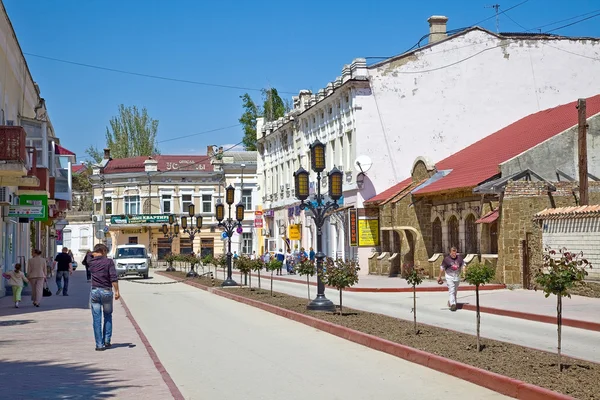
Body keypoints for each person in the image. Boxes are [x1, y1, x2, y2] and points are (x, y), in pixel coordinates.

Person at [86, 243, 120, 351]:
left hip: (95, 291)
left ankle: (99, 345)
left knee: (96, 319)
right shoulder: (108, 262)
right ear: (103, 251)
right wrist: (117, 291)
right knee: (108, 316)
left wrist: (93, 252)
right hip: (106, 291)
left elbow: (87, 256)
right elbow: (113, 278)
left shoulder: (91, 262)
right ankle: (107, 340)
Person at [437, 247, 465, 312]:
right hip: (449, 277)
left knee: (455, 291)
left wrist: (464, 274)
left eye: (455, 251)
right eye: (453, 251)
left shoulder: (460, 259)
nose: (454, 253)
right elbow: (442, 268)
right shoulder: (446, 259)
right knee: (451, 290)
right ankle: (453, 304)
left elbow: (463, 266)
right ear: (450, 252)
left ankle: (453, 302)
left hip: (457, 277)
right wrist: (439, 277)